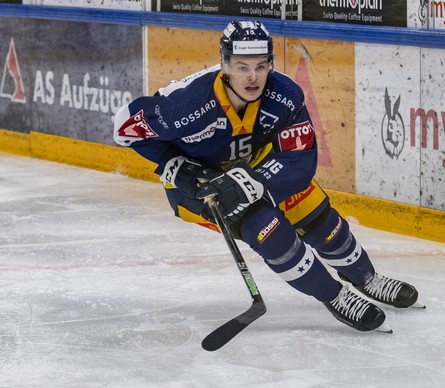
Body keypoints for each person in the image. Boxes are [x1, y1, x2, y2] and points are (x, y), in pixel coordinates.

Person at [113, 20, 420, 332]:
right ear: (224, 64)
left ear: (271, 64)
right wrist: (176, 165)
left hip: (256, 167)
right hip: (200, 190)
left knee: (317, 217)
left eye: (261, 66)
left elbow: (300, 158)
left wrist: (252, 180)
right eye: (242, 66)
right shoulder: (186, 105)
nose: (252, 76)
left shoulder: (285, 95)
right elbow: (124, 129)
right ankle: (335, 296)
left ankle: (367, 279)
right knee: (267, 228)